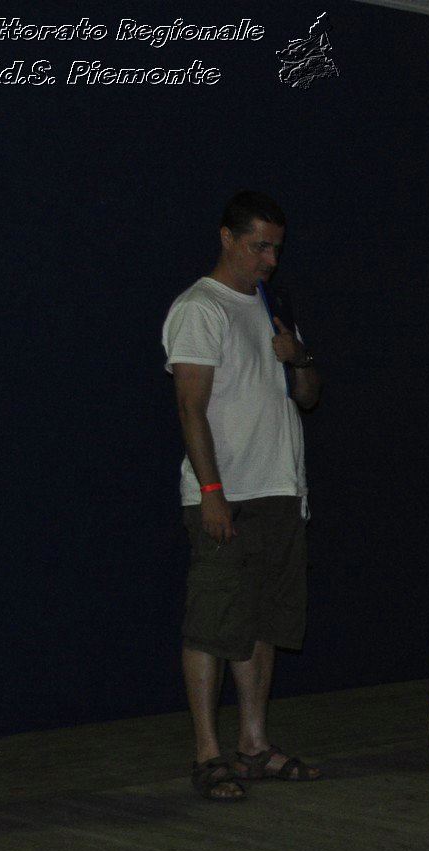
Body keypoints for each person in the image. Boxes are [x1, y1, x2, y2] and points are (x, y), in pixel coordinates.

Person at [164, 190, 323, 801]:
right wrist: (211, 491)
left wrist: (298, 354)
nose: (269, 259)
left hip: (281, 489)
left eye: (277, 248)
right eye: (259, 245)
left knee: (264, 622)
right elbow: (189, 406)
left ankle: (254, 744)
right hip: (226, 493)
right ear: (227, 238)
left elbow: (308, 395)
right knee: (213, 623)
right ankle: (208, 754)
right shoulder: (200, 308)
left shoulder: (270, 303)